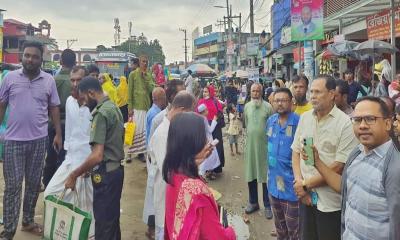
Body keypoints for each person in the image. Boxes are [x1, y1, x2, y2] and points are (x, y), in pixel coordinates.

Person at [306, 96, 400, 239]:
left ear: (387, 123)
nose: (362, 125)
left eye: (370, 119)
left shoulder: (394, 168)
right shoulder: (357, 153)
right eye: (357, 120)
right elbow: (344, 186)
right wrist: (317, 162)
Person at [0, 41, 62, 239]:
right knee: (13, 186)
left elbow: (54, 108)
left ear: (41, 60)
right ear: (22, 57)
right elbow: (1, 105)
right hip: (12, 142)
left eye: (35, 56)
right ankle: (9, 229)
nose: (30, 59)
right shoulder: (9, 78)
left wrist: (58, 134)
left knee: (34, 184)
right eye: (27, 55)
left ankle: (27, 221)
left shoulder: (48, 81)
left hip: (38, 141)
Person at [291, 74, 358, 240]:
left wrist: (306, 184)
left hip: (330, 203)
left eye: (318, 92)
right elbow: (296, 152)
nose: (312, 96)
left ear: (332, 94)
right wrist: (300, 184)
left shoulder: (345, 124)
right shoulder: (305, 118)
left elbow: (339, 166)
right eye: (311, 92)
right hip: (305, 198)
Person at [65, 76, 124, 240]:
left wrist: (73, 174)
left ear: (91, 93)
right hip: (115, 171)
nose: (83, 103)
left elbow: (97, 155)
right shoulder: (112, 106)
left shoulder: (101, 113)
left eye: (83, 98)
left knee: (104, 224)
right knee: (111, 222)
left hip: (106, 175)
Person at [163, 112, 236, 240]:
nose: (208, 140)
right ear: (192, 143)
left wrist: (200, 157)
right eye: (203, 137)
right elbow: (218, 237)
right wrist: (231, 232)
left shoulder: (173, 172)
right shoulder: (197, 192)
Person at [44, 66, 95, 238]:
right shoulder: (69, 101)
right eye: (72, 80)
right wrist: (64, 147)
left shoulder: (96, 105)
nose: (74, 84)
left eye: (78, 80)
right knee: (50, 193)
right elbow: (71, 130)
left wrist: (90, 165)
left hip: (89, 163)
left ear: (86, 81)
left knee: (86, 208)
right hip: (71, 159)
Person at [149, 91, 196, 240]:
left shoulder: (173, 129)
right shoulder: (163, 134)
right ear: (181, 110)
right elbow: (169, 173)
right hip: (166, 199)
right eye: (189, 114)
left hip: (174, 198)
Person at [267, 88, 300, 240]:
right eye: (276, 100)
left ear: (291, 101)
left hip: (291, 187)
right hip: (274, 184)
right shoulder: (271, 121)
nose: (279, 104)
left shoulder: (299, 122)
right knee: (280, 229)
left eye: (283, 100)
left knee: (294, 231)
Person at [42, 48, 75, 188]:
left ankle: (48, 185)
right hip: (69, 124)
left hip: (52, 124)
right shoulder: (75, 81)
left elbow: (47, 104)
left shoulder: (52, 80)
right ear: (74, 62)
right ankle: (62, 186)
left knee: (51, 156)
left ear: (61, 61)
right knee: (66, 157)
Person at [243, 83, 274, 218]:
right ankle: (253, 202)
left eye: (257, 91)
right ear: (250, 92)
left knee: (265, 176)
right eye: (253, 91)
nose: (255, 93)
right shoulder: (247, 107)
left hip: (265, 147)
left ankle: (268, 205)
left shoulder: (268, 107)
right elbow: (246, 124)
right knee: (251, 174)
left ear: (261, 92)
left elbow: (272, 126)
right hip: (250, 147)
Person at [142, 87, 166, 238]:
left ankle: (152, 228)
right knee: (154, 195)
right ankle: (152, 229)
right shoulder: (156, 114)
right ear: (159, 99)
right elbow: (153, 139)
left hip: (152, 156)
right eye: (164, 98)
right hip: (154, 157)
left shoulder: (153, 112)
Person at [127, 55, 155, 160]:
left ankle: (141, 153)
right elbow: (129, 92)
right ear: (139, 62)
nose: (145, 63)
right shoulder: (133, 75)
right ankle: (129, 153)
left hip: (146, 107)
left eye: (146, 61)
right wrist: (130, 107)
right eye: (143, 61)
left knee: (144, 130)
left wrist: (145, 79)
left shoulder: (149, 75)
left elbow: (152, 89)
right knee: (134, 130)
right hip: (135, 107)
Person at [197, 85, 225, 174]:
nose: (205, 93)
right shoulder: (200, 102)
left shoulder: (215, 101)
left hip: (215, 128)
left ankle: (216, 168)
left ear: (210, 92)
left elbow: (220, 111)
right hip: (206, 128)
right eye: (204, 91)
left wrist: (215, 118)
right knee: (208, 149)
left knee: (217, 148)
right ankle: (208, 170)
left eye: (206, 91)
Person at [197, 103, 221, 178]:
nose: (208, 111)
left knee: (210, 157)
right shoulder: (204, 119)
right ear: (204, 111)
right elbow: (210, 130)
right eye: (206, 110)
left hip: (204, 140)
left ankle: (209, 172)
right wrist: (214, 120)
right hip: (208, 140)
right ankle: (204, 173)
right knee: (209, 157)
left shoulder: (199, 118)